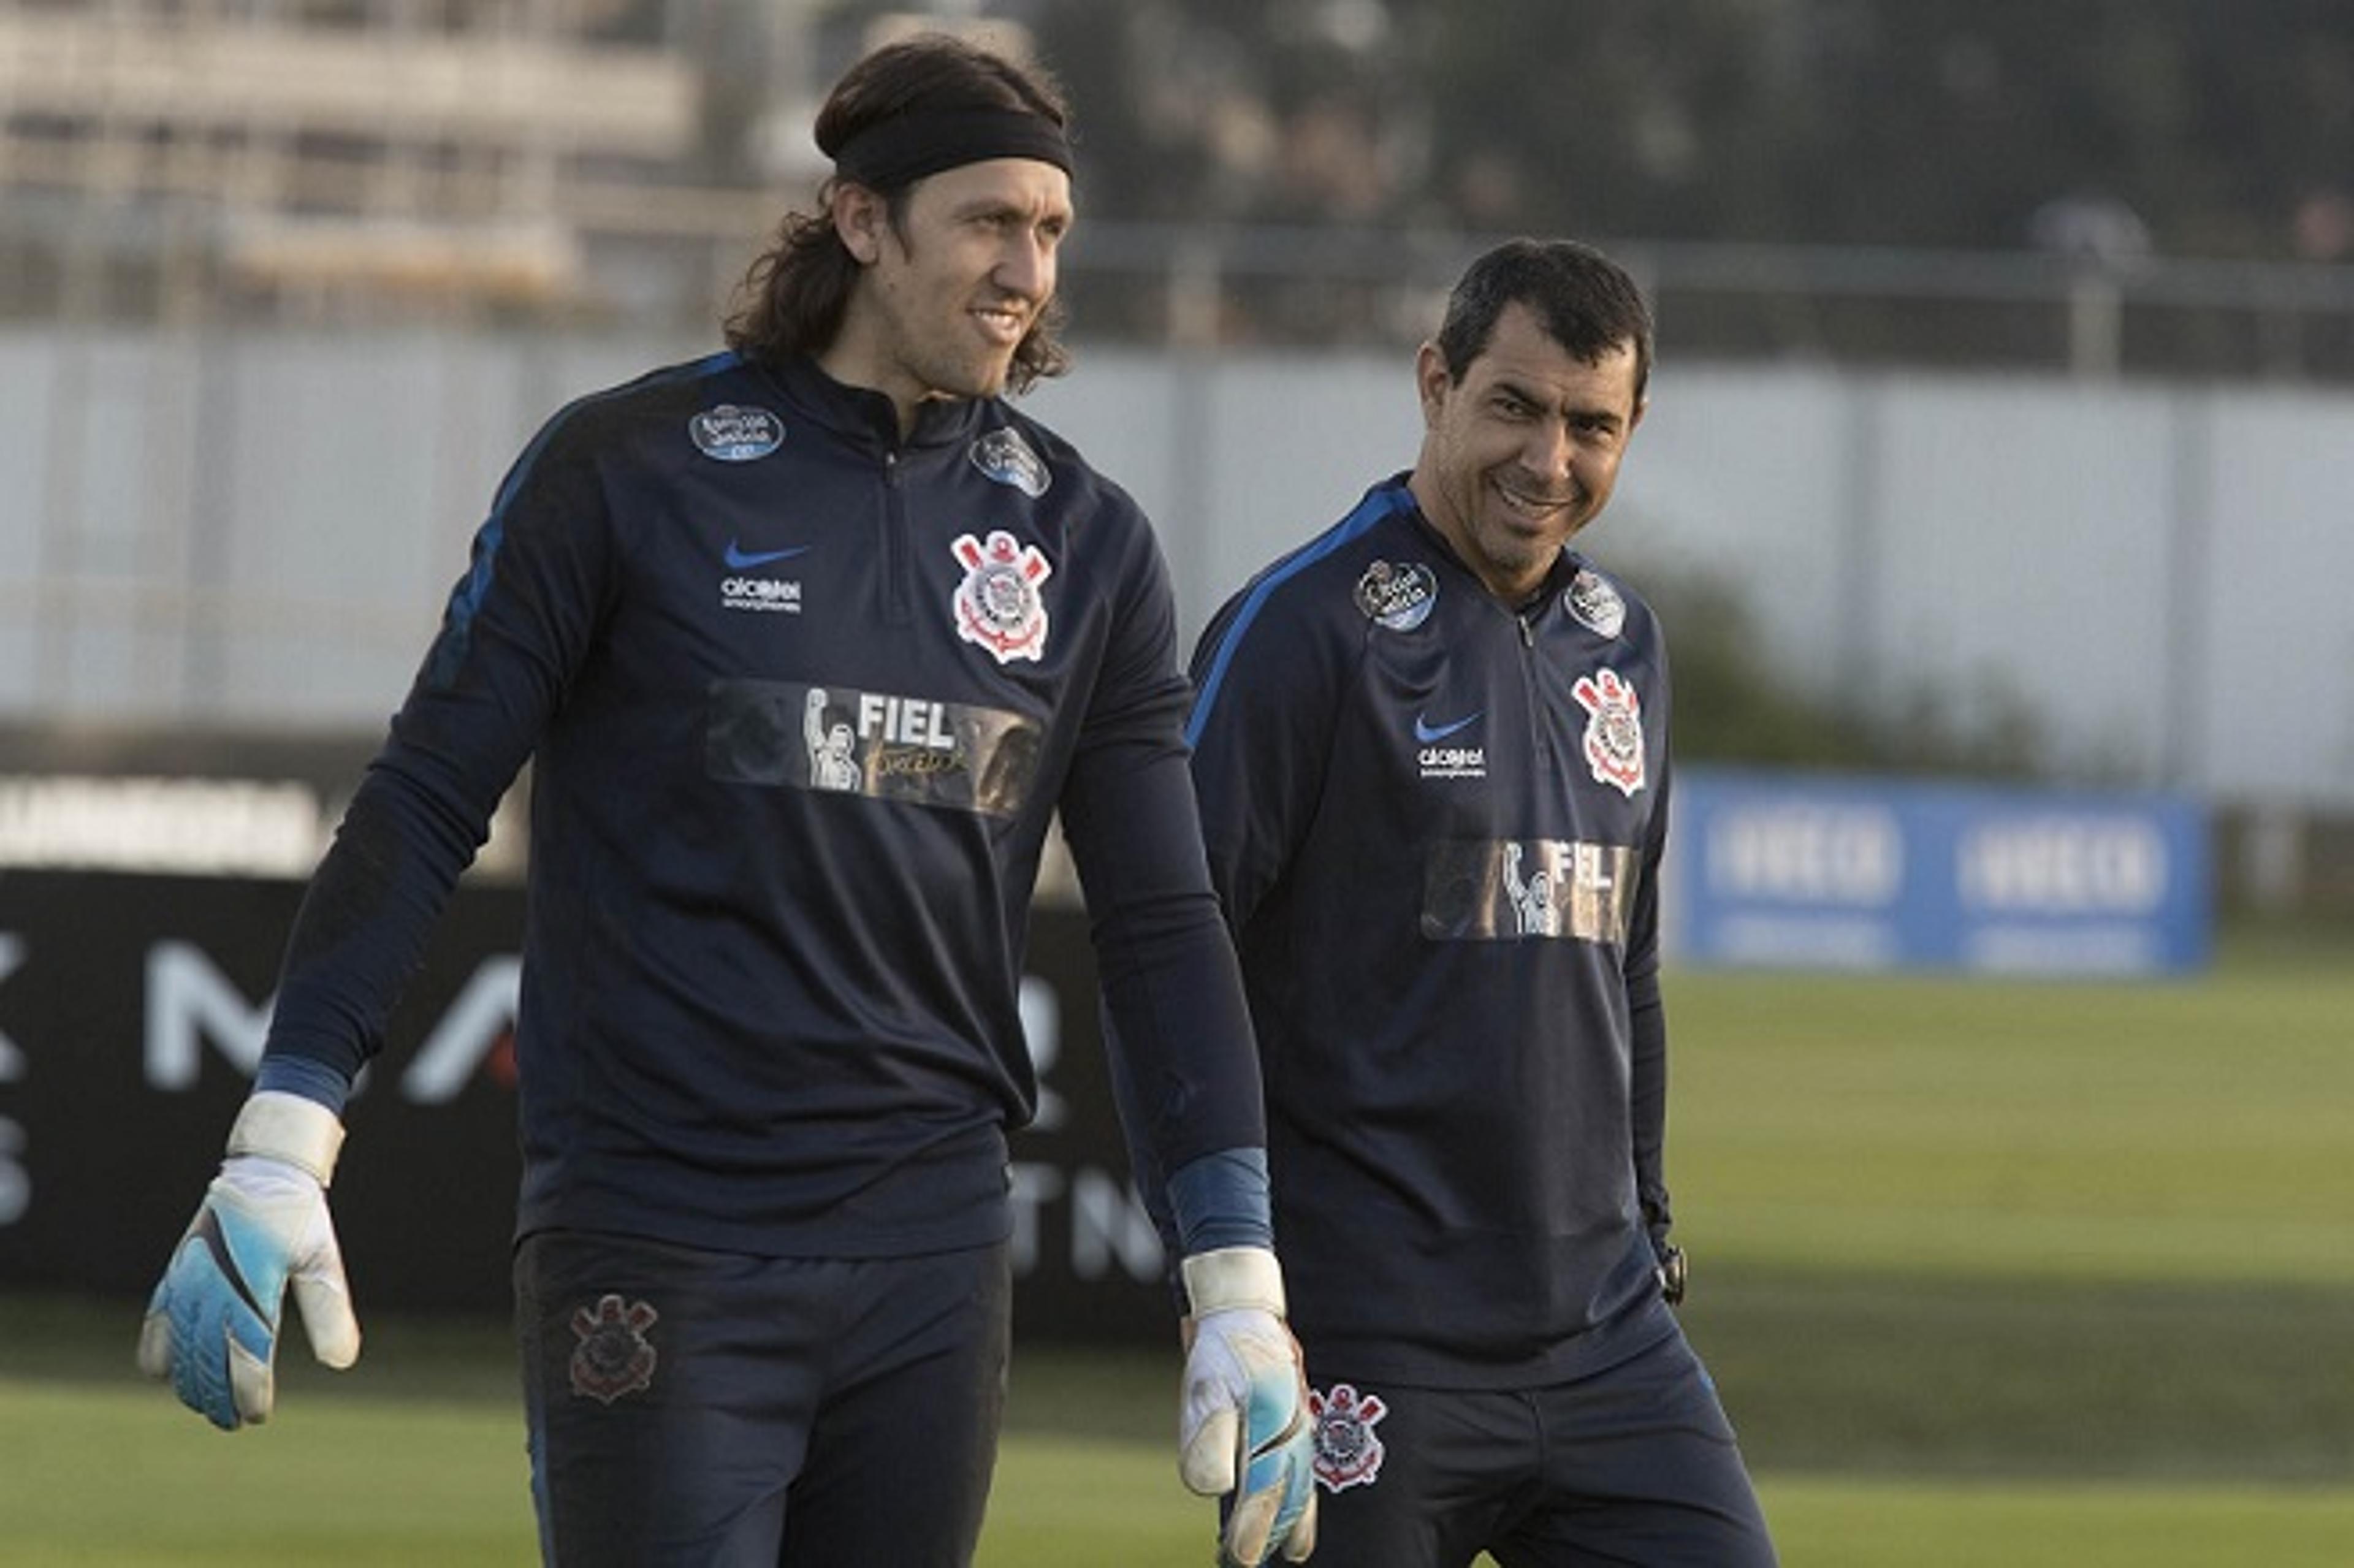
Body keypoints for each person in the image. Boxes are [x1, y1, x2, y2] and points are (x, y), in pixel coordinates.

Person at [135, 33, 1316, 1568]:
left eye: (1052, 230)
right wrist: (284, 1133)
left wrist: (1240, 1285)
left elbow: (1162, 924)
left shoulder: (1087, 544)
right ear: (863, 220)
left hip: (935, 1262)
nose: (1030, 268)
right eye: (989, 222)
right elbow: (427, 799)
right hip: (659, 1237)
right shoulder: (628, 470)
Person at [1175, 238, 1778, 1565]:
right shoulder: (1300, 629)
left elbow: (1625, 961)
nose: (1549, 460)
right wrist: (1229, 1286)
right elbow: (1171, 955)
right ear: (1435, 383)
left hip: (1608, 1339)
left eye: (1590, 425)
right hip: (1369, 1342)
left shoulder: (1627, 645)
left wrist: (1653, 1224)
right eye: (1515, 406)